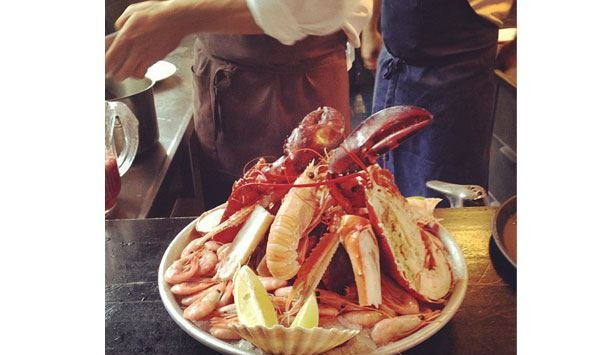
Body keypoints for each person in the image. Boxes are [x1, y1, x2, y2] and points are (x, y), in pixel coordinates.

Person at [106, 0, 372, 208]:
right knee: (220, 237)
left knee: (300, 228)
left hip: (291, 91)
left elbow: (316, 6)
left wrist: (181, 17)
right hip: (218, 86)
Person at [361, 0, 514, 199]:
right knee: (383, 182)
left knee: (444, 192)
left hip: (456, 73)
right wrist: (370, 26)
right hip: (394, 64)